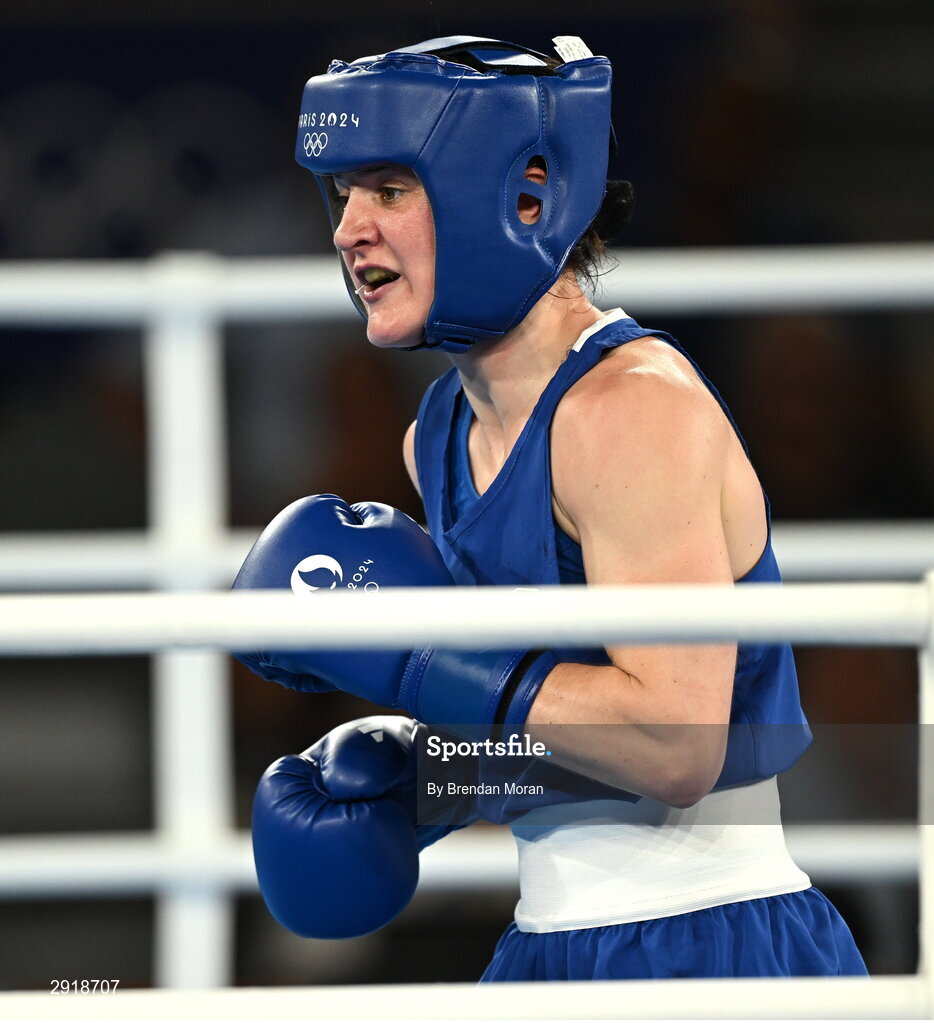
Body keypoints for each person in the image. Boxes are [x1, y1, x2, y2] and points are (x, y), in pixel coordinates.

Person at [234, 35, 867, 980]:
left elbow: (677, 745)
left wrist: (420, 656)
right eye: (342, 193)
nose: (348, 229)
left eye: (389, 190)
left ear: (524, 195)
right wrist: (430, 780)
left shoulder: (633, 409)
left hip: (710, 941)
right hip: (547, 942)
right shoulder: (440, 430)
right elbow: (561, 746)